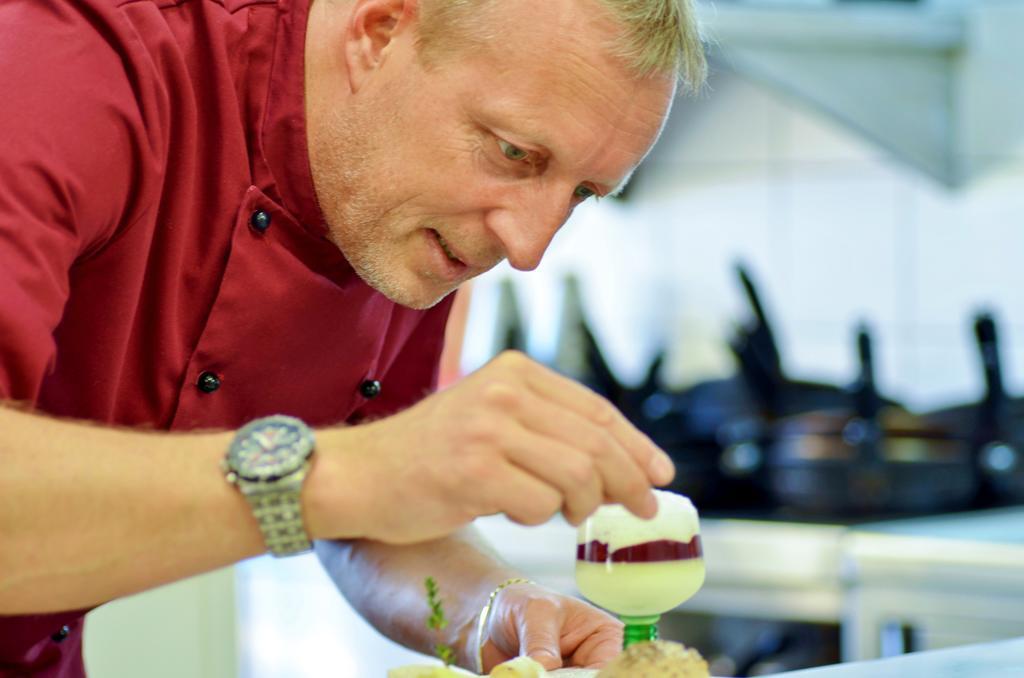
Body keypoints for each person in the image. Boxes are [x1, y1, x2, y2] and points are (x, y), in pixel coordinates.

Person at [0, 0, 706, 674]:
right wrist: (350, 472)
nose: (527, 247)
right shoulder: (74, 65)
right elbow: (357, 476)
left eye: (581, 193)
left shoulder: (408, 203)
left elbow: (378, 507)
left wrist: (491, 612)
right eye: (513, 152)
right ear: (379, 32)